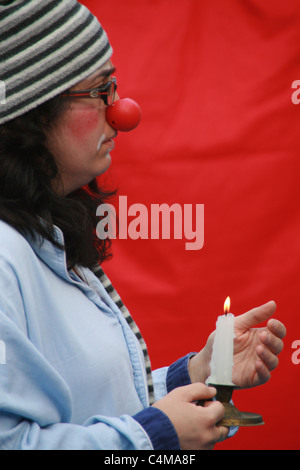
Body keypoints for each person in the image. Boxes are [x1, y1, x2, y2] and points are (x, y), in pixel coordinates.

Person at [0, 0, 286, 450]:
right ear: (34, 111)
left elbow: (93, 405)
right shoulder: (4, 256)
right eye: (100, 91)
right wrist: (154, 437)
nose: (122, 111)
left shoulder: (43, 236)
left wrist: (198, 374)